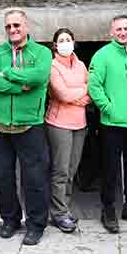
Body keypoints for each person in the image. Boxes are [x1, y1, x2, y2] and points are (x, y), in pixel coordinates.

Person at [0, 8, 53, 246]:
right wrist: (18, 86)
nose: (12, 30)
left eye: (17, 25)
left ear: (26, 27)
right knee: (2, 177)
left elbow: (40, 76)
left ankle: (35, 225)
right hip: (0, 125)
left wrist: (10, 73)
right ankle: (10, 220)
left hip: (30, 125)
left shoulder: (42, 52)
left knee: (34, 179)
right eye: (8, 26)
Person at [88, 15, 127, 233]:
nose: (123, 32)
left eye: (126, 28)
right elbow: (94, 86)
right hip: (112, 122)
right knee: (110, 167)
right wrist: (108, 108)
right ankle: (108, 209)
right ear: (111, 32)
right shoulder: (102, 56)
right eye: (118, 29)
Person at [45, 28, 90, 233]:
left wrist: (77, 96)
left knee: (72, 170)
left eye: (68, 39)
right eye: (61, 40)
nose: (65, 43)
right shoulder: (52, 65)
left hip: (79, 124)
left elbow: (92, 90)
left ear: (74, 42)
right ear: (55, 45)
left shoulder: (80, 65)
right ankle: (58, 213)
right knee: (60, 170)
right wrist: (80, 94)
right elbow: (61, 94)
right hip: (58, 124)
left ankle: (64, 207)